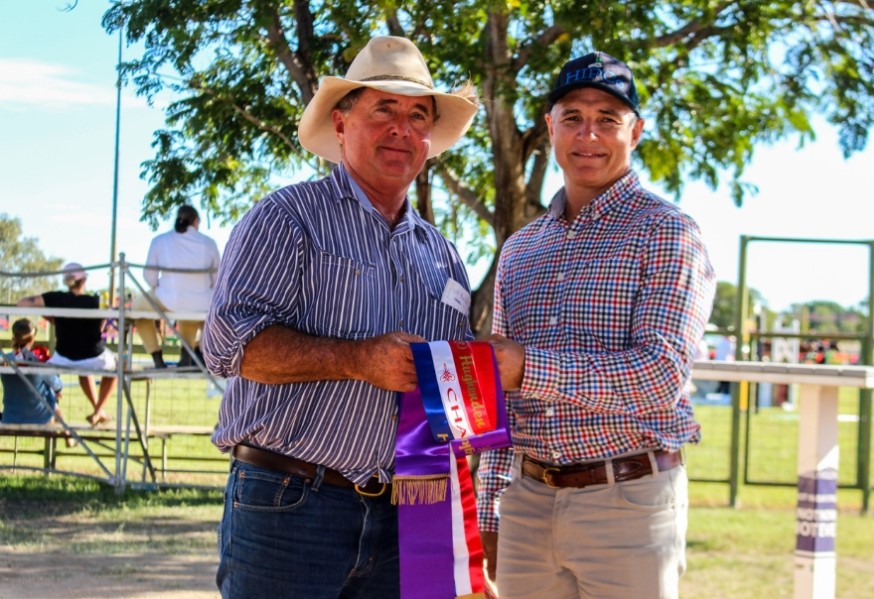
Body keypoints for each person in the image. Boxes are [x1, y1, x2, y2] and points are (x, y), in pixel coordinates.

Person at [202, 36, 478, 598]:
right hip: (289, 502)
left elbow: (448, 407)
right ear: (342, 122)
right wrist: (357, 360)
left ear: (429, 139)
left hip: (410, 515)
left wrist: (481, 376)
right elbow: (228, 346)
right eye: (384, 109)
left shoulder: (444, 255)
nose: (402, 127)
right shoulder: (286, 218)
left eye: (417, 115)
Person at [477, 51, 716, 599]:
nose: (589, 134)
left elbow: (660, 376)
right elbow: (498, 395)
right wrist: (491, 510)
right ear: (550, 128)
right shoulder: (520, 249)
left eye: (608, 119)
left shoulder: (667, 233)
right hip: (526, 502)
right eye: (573, 117)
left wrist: (528, 367)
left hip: (629, 499)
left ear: (636, 130)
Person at [17, 263, 117, 427]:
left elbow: (23, 303)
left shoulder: (55, 298)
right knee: (116, 368)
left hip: (64, 357)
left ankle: (98, 412)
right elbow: (100, 329)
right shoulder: (95, 301)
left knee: (83, 371)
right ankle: (99, 410)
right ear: (84, 280)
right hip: (94, 355)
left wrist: (52, 317)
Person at [134, 205, 221, 369]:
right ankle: (186, 356)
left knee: (138, 309)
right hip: (202, 301)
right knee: (193, 310)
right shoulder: (209, 243)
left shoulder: (160, 240)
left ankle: (156, 356)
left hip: (167, 298)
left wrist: (160, 287)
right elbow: (217, 279)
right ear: (196, 221)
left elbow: (149, 276)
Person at [1, 318, 64, 424]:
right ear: (33, 338)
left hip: (10, 418)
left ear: (13, 337)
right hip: (42, 419)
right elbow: (57, 384)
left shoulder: (5, 361)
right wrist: (58, 390)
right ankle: (69, 437)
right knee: (57, 410)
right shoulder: (39, 362)